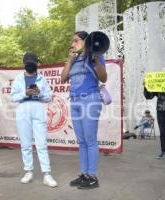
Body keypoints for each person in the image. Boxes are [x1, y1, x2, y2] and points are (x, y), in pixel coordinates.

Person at [61, 31, 107, 189]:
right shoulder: (74, 59)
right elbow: (63, 78)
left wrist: (96, 61)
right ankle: (84, 174)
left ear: (85, 41)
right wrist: (69, 60)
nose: (72, 44)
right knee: (81, 141)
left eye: (75, 41)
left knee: (90, 139)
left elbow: (103, 78)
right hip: (75, 101)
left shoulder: (95, 55)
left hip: (90, 99)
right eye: (72, 41)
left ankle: (92, 177)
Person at [10, 52, 58, 188]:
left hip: (38, 108)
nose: (31, 65)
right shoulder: (18, 78)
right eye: (28, 63)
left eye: (33, 63)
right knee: (25, 143)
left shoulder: (42, 79)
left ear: (37, 64)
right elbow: (13, 97)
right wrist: (25, 93)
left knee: (41, 143)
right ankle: (28, 171)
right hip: (23, 110)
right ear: (24, 64)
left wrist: (40, 93)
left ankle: (47, 174)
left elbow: (48, 97)